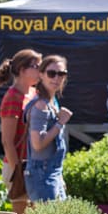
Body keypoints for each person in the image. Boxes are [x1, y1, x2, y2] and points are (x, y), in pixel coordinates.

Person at [0, 48, 42, 214]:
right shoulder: (13, 97)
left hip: (34, 164)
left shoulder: (34, 94)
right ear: (22, 70)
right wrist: (19, 173)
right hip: (19, 167)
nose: (41, 70)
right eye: (36, 66)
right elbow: (7, 141)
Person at [24, 55, 73, 202]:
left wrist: (59, 176)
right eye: (51, 73)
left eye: (61, 74)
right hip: (42, 174)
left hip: (52, 172)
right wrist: (60, 123)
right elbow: (37, 144)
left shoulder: (51, 102)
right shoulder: (41, 105)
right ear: (41, 75)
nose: (56, 78)